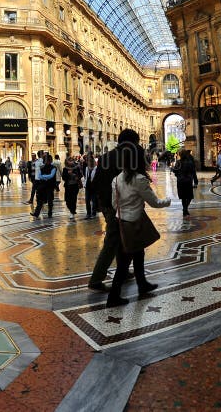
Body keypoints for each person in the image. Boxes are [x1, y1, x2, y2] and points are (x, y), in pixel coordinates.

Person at [106, 144, 171, 307]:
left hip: (121, 222)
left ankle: (142, 284)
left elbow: (114, 204)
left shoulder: (116, 179)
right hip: (134, 223)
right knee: (124, 262)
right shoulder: (139, 180)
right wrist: (168, 201)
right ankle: (113, 297)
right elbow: (155, 203)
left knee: (138, 254)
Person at [88, 129, 141, 292]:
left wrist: (99, 204)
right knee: (112, 240)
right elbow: (134, 183)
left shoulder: (105, 157)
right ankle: (96, 280)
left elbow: (94, 181)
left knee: (119, 238)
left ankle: (123, 272)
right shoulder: (129, 158)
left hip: (106, 203)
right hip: (120, 205)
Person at [30, 154, 57, 218]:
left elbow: (51, 175)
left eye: (48, 160)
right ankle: (36, 213)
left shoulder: (53, 167)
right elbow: (39, 176)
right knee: (40, 200)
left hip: (50, 186)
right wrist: (46, 178)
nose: (47, 161)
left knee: (50, 200)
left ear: (50, 160)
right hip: (43, 185)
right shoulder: (42, 167)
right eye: (46, 160)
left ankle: (50, 213)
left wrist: (44, 177)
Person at [174, 149, 198, 217]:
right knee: (189, 196)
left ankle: (185, 209)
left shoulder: (178, 162)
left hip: (180, 181)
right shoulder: (190, 162)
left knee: (183, 197)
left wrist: (178, 176)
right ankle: (185, 209)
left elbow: (175, 171)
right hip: (188, 181)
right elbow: (193, 172)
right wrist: (195, 180)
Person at [83, 154, 98, 219]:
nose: (87, 162)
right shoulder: (86, 168)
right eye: (86, 161)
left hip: (94, 187)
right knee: (87, 200)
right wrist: (85, 184)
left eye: (88, 160)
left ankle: (93, 213)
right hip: (87, 186)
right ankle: (88, 213)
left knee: (94, 200)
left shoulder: (96, 168)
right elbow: (86, 177)